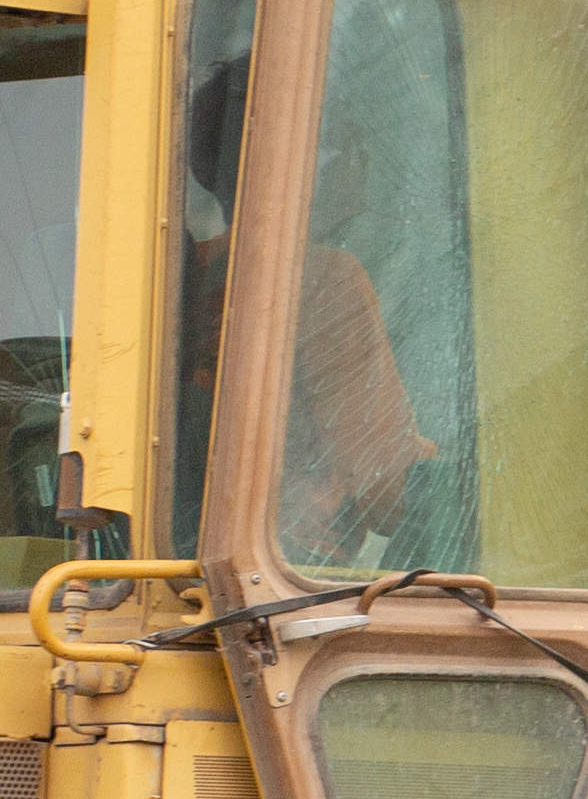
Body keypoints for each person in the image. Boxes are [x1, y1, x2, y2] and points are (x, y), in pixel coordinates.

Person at [175, 59, 437, 569]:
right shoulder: (323, 280)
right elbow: (383, 492)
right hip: (292, 573)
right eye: (345, 144)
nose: (363, 161)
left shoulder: (188, 272)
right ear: (296, 163)